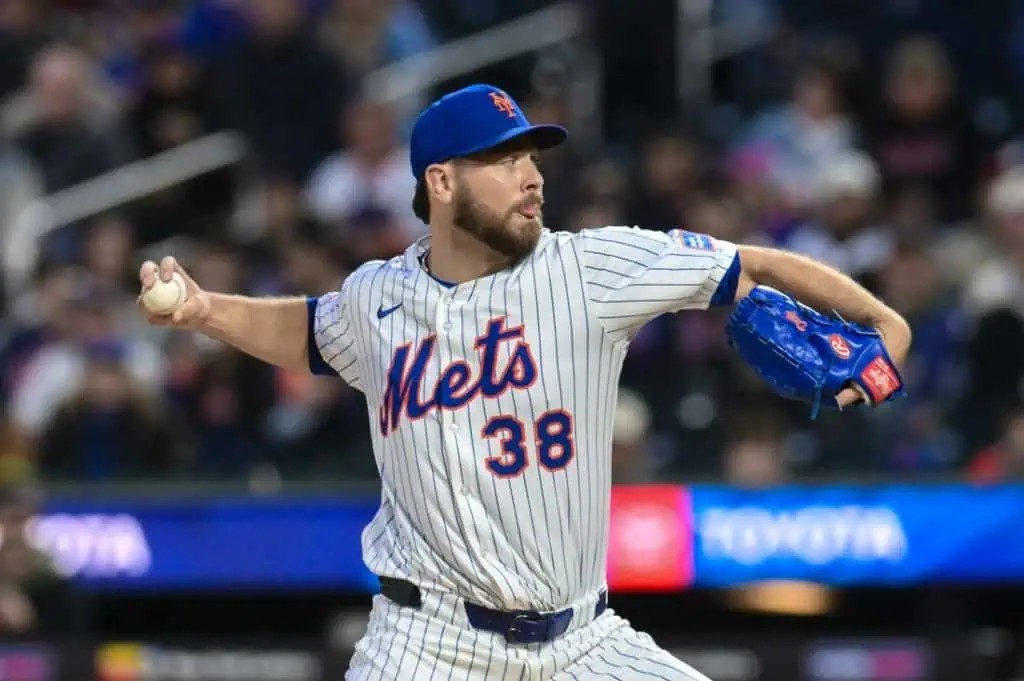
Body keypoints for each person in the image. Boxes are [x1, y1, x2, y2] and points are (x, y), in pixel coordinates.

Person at [138, 84, 911, 680]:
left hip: (581, 642)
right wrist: (205, 310)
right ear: (441, 181)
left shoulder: (592, 268)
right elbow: (309, 330)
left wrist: (885, 321)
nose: (531, 177)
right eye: (504, 160)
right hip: (426, 642)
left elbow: (753, 263)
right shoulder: (376, 296)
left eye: (532, 158)